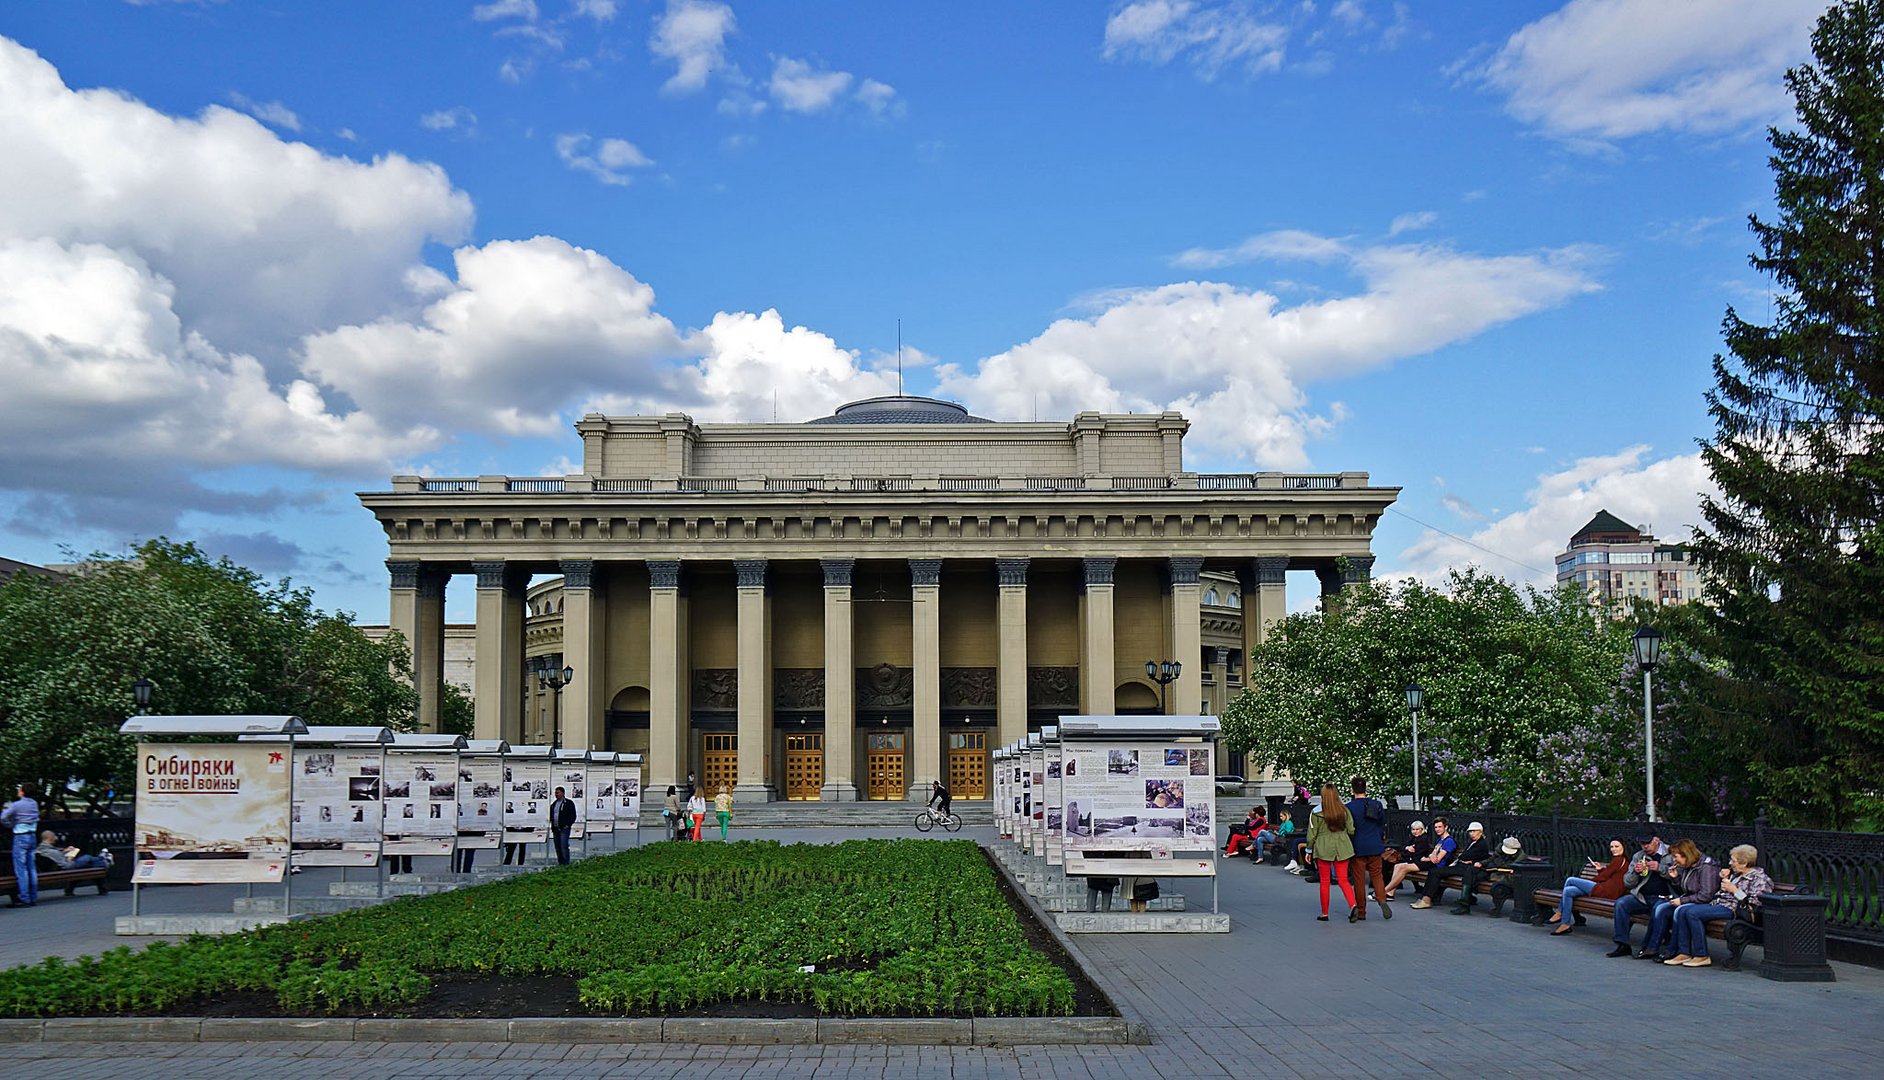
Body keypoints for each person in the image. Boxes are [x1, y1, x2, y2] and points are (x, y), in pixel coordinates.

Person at [1667, 844, 1772, 967]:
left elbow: (1757, 903)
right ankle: (1684, 952)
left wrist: (1734, 890)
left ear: (1744, 863)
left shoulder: (1760, 878)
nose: (1730, 863)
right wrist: (1724, 882)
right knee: (1683, 910)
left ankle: (1701, 955)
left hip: (1733, 909)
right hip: (1719, 904)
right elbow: (1720, 894)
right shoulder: (1736, 875)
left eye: (1733, 861)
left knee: (1692, 913)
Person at [1644, 839, 1720, 963]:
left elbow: (1706, 895)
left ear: (1686, 854)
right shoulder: (1686, 866)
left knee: (1680, 911)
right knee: (1661, 909)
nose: (1674, 860)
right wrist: (1675, 879)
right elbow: (1684, 890)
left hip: (1704, 903)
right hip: (1690, 900)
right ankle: (1652, 947)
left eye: (1676, 856)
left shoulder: (1707, 867)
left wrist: (1683, 901)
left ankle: (1674, 950)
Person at [1608, 832, 1674, 957]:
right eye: (1642, 844)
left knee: (1657, 909)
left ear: (1657, 841)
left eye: (1648, 843)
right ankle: (1623, 944)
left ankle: (1649, 947)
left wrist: (1660, 868)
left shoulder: (1670, 854)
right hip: (1642, 897)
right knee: (1621, 904)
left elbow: (1679, 878)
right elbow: (1627, 883)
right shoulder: (1639, 856)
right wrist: (1636, 872)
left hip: (1665, 897)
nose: (1645, 847)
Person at [1551, 837, 1628, 935]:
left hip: (1607, 891)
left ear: (1624, 847)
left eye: (1616, 846)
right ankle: (1565, 924)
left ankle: (1560, 913)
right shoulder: (1619, 861)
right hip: (1606, 889)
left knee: (1570, 880)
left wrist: (1587, 882)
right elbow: (1608, 875)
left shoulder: (1619, 860)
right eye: (1611, 847)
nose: (1613, 849)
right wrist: (1599, 869)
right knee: (1568, 891)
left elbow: (1604, 877)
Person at [1308, 783, 1359, 922]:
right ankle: (1353, 905)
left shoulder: (1316, 812)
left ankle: (1325, 913)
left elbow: (1312, 833)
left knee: (1325, 881)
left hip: (1323, 846)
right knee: (1343, 879)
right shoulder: (1344, 810)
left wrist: (1308, 849)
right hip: (1342, 846)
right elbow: (1351, 830)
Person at [1345, 777, 1391, 921]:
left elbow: (1348, 827)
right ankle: (1382, 899)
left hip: (1358, 847)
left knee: (1358, 880)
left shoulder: (1349, 807)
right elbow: (1381, 823)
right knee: (1377, 876)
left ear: (1352, 790)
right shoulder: (1376, 804)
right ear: (1366, 789)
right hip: (1375, 845)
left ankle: (1361, 911)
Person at [1432, 822, 1493, 913]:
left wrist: (1468, 860)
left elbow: (1466, 856)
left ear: (1480, 832)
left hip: (1469, 869)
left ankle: (1464, 904)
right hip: (1463, 866)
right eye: (1470, 831)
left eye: (1474, 831)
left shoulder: (1482, 844)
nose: (1471, 834)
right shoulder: (1472, 842)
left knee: (1442, 872)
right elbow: (1466, 856)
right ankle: (1434, 896)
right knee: (1438, 871)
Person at [1406, 818, 1457, 909]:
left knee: (1433, 872)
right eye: (1436, 827)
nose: (1437, 829)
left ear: (1446, 827)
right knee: (1431, 871)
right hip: (1434, 866)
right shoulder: (1439, 840)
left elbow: (1437, 859)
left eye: (1440, 827)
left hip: (1441, 867)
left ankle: (1426, 900)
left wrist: (1428, 858)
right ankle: (1423, 899)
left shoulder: (1449, 841)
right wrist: (1430, 857)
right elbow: (1432, 855)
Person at [3, 785, 41, 907]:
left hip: (20, 835)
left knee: (21, 868)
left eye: (19, 790)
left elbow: (3, 817)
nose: (18, 791)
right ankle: (33, 896)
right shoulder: (34, 803)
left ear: (23, 792)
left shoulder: (17, 804)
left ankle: (24, 898)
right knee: (31, 867)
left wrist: (11, 824)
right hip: (32, 835)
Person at [1383, 821, 1433, 899]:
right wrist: (1407, 848)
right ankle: (1390, 892)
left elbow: (1416, 854)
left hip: (1422, 862)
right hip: (1414, 861)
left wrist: (1406, 852)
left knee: (1402, 867)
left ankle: (1384, 891)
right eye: (1413, 829)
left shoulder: (1423, 839)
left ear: (1422, 829)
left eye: (1417, 829)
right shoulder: (1413, 838)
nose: (1415, 831)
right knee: (1397, 866)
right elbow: (1403, 846)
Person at [34, 829, 110, 872]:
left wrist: (64, 852)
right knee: (87, 858)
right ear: (50, 838)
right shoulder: (51, 852)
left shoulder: (40, 849)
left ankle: (104, 860)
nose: (56, 838)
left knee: (91, 863)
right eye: (54, 836)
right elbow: (67, 866)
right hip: (67, 867)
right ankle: (103, 860)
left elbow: (56, 857)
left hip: (56, 866)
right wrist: (70, 858)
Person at [549, 786, 576, 865]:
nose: (556, 794)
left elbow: (573, 815)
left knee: (563, 846)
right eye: (555, 793)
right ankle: (560, 862)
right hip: (556, 828)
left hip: (564, 829)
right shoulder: (554, 804)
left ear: (563, 793)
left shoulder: (568, 803)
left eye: (558, 793)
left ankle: (566, 863)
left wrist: (568, 824)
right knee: (557, 847)